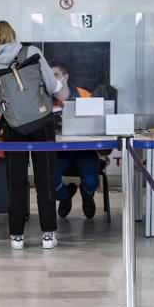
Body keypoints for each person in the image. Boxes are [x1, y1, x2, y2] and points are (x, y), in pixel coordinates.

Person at [0, 21, 61, 249]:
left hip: (14, 126)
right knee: (45, 177)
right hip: (42, 123)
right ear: (14, 35)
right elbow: (51, 86)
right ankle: (48, 234)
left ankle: (16, 236)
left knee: (16, 180)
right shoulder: (33, 52)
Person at [51, 61, 99, 219]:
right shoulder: (43, 98)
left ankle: (87, 197)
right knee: (50, 183)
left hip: (83, 149)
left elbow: (97, 123)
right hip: (58, 151)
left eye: (56, 75)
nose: (53, 79)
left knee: (91, 182)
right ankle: (66, 197)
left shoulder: (84, 94)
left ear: (65, 77)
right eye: (49, 76)